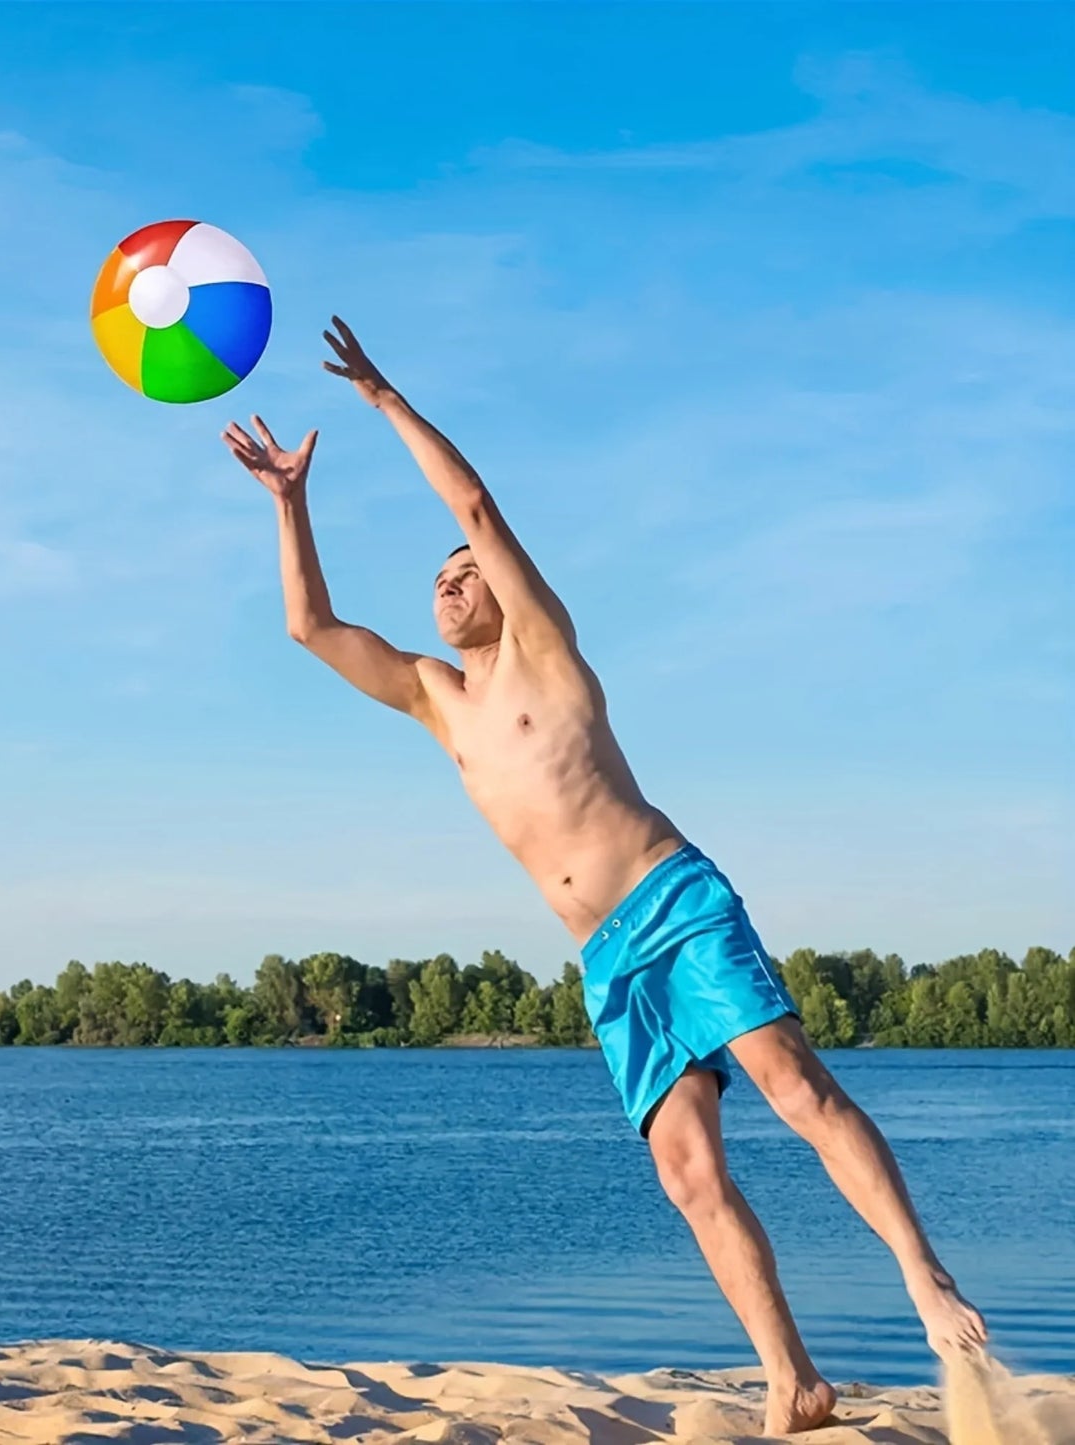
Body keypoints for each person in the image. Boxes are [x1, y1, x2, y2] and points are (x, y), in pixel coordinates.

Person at [220, 317, 987, 1436]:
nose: (448, 582)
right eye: (437, 579)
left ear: (506, 592)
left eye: (464, 573)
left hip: (671, 900)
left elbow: (474, 509)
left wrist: (383, 401)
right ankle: (793, 1378)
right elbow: (308, 625)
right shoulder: (437, 701)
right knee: (686, 1173)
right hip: (606, 958)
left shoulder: (543, 648)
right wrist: (288, 500)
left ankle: (921, 1275)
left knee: (792, 1086)